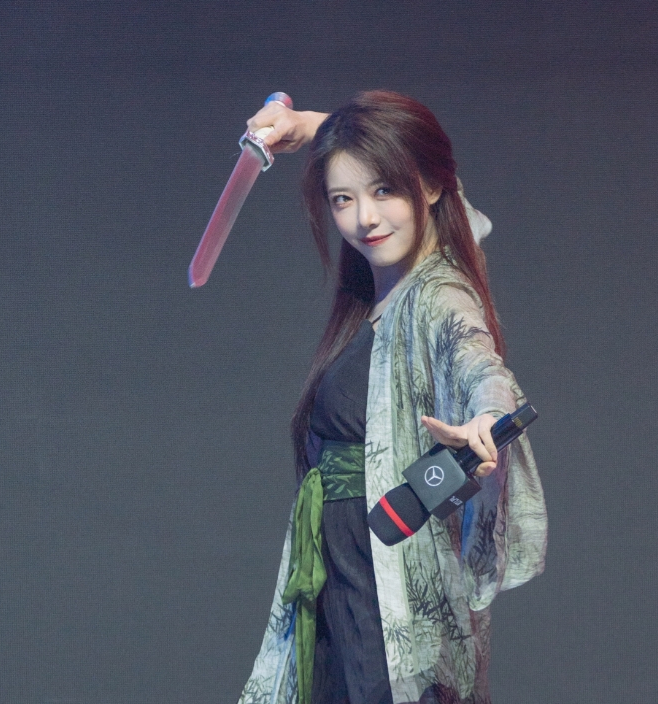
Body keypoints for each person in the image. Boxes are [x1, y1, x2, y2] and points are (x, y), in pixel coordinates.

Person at [236, 91, 547, 704]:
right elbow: (433, 186)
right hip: (341, 577)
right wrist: (314, 126)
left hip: (386, 586)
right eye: (342, 199)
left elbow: (478, 360)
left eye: (384, 191)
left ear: (429, 186)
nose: (365, 218)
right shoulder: (386, 295)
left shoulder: (439, 294)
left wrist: (488, 416)